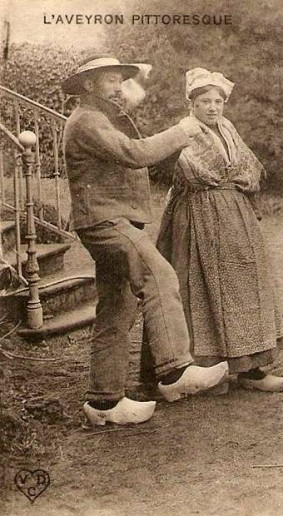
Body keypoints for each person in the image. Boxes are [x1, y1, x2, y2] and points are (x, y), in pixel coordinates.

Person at [62, 55, 229, 426]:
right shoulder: (88, 120)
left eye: (120, 79)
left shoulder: (101, 118)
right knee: (158, 274)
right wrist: (182, 130)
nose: (118, 86)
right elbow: (134, 155)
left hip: (110, 220)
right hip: (106, 221)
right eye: (110, 79)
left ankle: (104, 402)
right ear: (88, 84)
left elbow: (136, 155)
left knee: (117, 308)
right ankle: (175, 371)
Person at [150, 68, 283, 393]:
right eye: (205, 101)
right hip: (199, 217)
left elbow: (249, 168)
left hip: (236, 217)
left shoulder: (228, 128)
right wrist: (232, 176)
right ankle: (206, 372)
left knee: (246, 285)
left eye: (218, 101)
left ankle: (251, 370)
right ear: (192, 104)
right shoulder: (184, 131)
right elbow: (200, 173)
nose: (213, 107)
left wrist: (240, 178)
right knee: (203, 286)